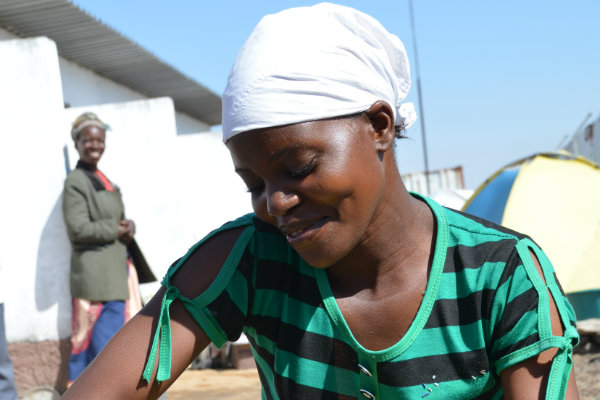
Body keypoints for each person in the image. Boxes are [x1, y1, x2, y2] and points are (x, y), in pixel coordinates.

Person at [63, 4, 580, 399]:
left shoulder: (501, 276)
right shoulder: (249, 260)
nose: (277, 202)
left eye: (299, 168)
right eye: (254, 184)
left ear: (379, 127)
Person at [62, 112, 151, 386]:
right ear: (77, 143)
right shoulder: (76, 181)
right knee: (99, 347)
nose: (95, 145)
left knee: (112, 344)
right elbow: (78, 229)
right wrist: (116, 230)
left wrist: (129, 226)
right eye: (88, 140)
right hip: (97, 281)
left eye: (99, 140)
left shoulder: (103, 179)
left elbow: (115, 220)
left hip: (116, 274)